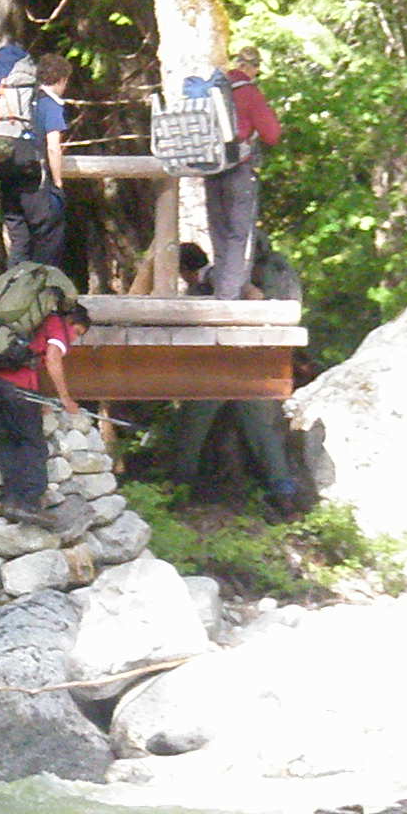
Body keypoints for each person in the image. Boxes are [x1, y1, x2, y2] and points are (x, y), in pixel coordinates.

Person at [164, 238, 308, 516]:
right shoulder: (252, 274)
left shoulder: (217, 278)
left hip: (218, 370)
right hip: (254, 368)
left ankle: (179, 492)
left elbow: (252, 300)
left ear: (182, 269)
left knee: (191, 431)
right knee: (264, 435)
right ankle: (284, 496)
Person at [0, 270, 91, 532]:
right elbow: (52, 359)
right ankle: (29, 503)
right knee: (33, 444)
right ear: (71, 318)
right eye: (78, 332)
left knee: (8, 441)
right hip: (17, 388)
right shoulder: (56, 325)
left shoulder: (23, 321)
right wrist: (66, 399)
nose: (74, 338)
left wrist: (41, 399)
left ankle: (12, 500)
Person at [203, 47, 282, 305]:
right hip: (239, 171)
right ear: (254, 67)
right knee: (239, 234)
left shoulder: (212, 90)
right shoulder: (249, 92)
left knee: (219, 231)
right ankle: (228, 297)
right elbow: (272, 134)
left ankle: (220, 290)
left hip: (212, 169)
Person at [0, 48, 71, 267]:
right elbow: (53, 147)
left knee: (20, 242)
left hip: (9, 175)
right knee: (48, 239)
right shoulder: (50, 103)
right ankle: (41, 294)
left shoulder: (23, 102)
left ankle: (12, 291)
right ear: (62, 80)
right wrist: (58, 182)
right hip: (35, 181)